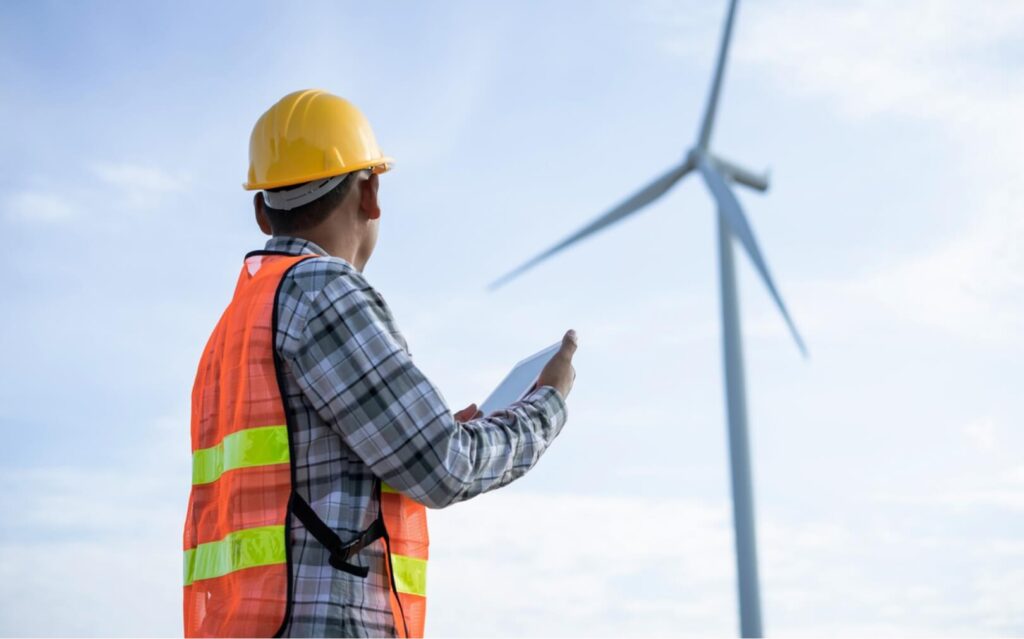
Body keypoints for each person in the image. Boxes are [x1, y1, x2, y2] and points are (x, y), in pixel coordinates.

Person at [182, 89, 577, 638]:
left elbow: (294, 474)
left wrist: (422, 433)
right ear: (370, 192)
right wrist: (546, 405)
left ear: (260, 210)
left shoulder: (236, 324)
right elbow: (446, 468)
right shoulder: (321, 290)